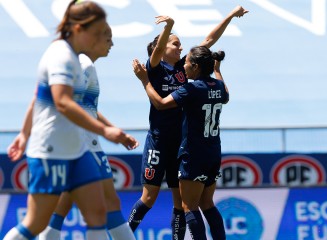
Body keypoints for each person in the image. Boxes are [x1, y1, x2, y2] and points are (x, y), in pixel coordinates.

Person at [3, 1, 133, 239]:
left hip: (76, 148)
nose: (101, 39)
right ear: (78, 29)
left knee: (98, 213)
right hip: (52, 148)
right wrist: (106, 132)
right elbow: (62, 102)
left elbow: (46, 100)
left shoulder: (75, 58)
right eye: (98, 34)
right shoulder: (62, 56)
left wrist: (23, 133)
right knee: (36, 222)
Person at [127, 6, 248, 239]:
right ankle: (123, 234)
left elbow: (209, 40)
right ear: (160, 50)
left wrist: (230, 17)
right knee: (149, 197)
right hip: (159, 140)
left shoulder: (186, 68)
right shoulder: (154, 68)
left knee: (181, 202)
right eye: (175, 43)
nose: (180, 47)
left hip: (181, 145)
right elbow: (159, 49)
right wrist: (169, 26)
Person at [35, 24, 138, 240]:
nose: (112, 44)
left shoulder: (82, 63)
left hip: (79, 142)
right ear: (93, 38)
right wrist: (103, 132)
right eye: (108, 38)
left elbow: (85, 107)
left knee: (66, 207)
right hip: (83, 143)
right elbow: (66, 103)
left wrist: (111, 129)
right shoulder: (84, 64)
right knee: (105, 207)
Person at [133, 46, 228, 240]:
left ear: (195, 66)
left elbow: (160, 103)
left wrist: (145, 81)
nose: (183, 65)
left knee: (189, 207)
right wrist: (217, 70)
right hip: (213, 152)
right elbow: (225, 95)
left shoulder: (192, 89)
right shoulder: (218, 87)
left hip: (194, 154)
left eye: (186, 63)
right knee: (208, 204)